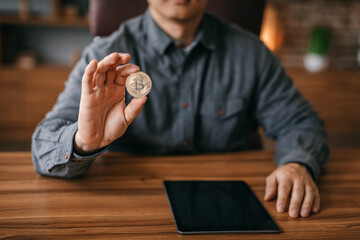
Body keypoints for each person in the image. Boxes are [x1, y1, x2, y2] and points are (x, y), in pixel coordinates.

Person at [31, 0, 329, 218]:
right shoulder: (103, 57)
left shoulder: (251, 53)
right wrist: (84, 141)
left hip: (232, 208)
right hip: (127, 210)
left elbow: (301, 123)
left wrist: (296, 163)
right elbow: (43, 147)